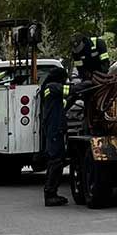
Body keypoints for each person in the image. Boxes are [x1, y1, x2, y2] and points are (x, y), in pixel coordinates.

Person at [37, 63, 70, 206]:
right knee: (56, 161)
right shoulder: (52, 87)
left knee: (57, 161)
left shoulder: (49, 89)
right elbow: (71, 90)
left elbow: (65, 102)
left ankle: (51, 193)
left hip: (54, 129)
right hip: (54, 130)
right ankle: (50, 194)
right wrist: (88, 85)